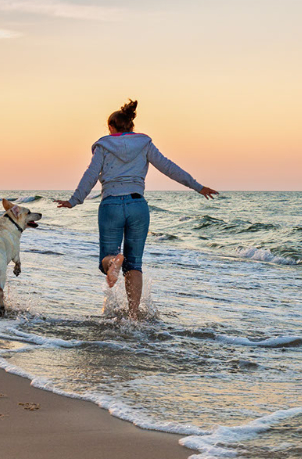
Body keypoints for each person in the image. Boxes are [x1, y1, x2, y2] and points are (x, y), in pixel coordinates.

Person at [56, 100, 218, 320]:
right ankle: (133, 316)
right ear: (131, 126)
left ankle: (113, 263)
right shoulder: (144, 144)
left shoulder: (104, 146)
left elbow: (90, 175)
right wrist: (197, 187)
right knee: (134, 264)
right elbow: (169, 168)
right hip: (137, 206)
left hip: (111, 204)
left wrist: (74, 200)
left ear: (111, 128)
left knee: (108, 257)